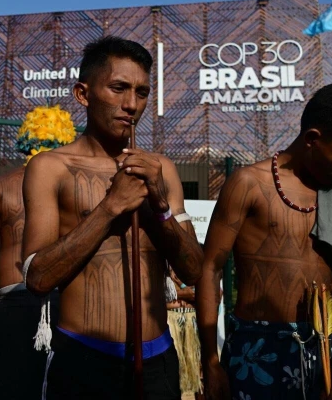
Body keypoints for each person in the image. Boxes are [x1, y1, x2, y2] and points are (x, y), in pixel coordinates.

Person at [22, 36, 204, 399]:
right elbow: (37, 277)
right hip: (83, 360)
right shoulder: (51, 168)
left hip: (158, 359)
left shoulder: (161, 169)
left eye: (141, 92)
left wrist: (160, 208)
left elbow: (195, 271)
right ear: (83, 94)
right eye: (118, 88)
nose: (131, 104)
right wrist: (110, 207)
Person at [196, 80, 332, 400]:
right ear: (313, 139)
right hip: (251, 353)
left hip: (321, 358)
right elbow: (209, 270)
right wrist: (211, 363)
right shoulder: (248, 184)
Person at [0, 104, 76, 400]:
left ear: (26, 138)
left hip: (10, 304)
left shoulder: (2, 185)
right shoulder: (71, 185)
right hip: (64, 303)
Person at [166, 271, 203, 399]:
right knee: (175, 372)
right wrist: (184, 293)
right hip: (170, 322)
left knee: (199, 374)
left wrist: (180, 285)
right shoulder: (160, 265)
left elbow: (202, 293)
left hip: (193, 321)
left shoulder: (195, 263)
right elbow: (153, 299)